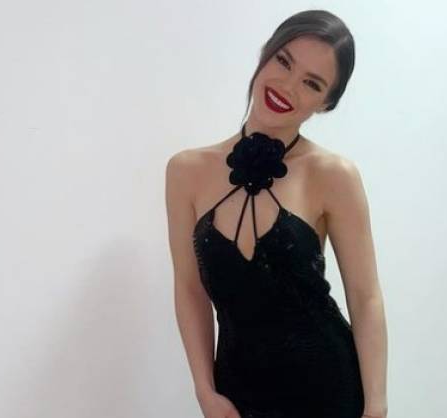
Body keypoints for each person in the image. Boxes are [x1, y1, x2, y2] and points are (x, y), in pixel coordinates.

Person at [165, 9, 387, 418]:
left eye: (311, 83)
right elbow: (189, 289)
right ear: (265, 54)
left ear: (326, 103)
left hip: (328, 391)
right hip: (237, 394)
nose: (287, 86)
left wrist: (376, 406)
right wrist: (205, 390)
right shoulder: (185, 172)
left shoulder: (333, 175)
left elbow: (365, 297)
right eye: (284, 61)